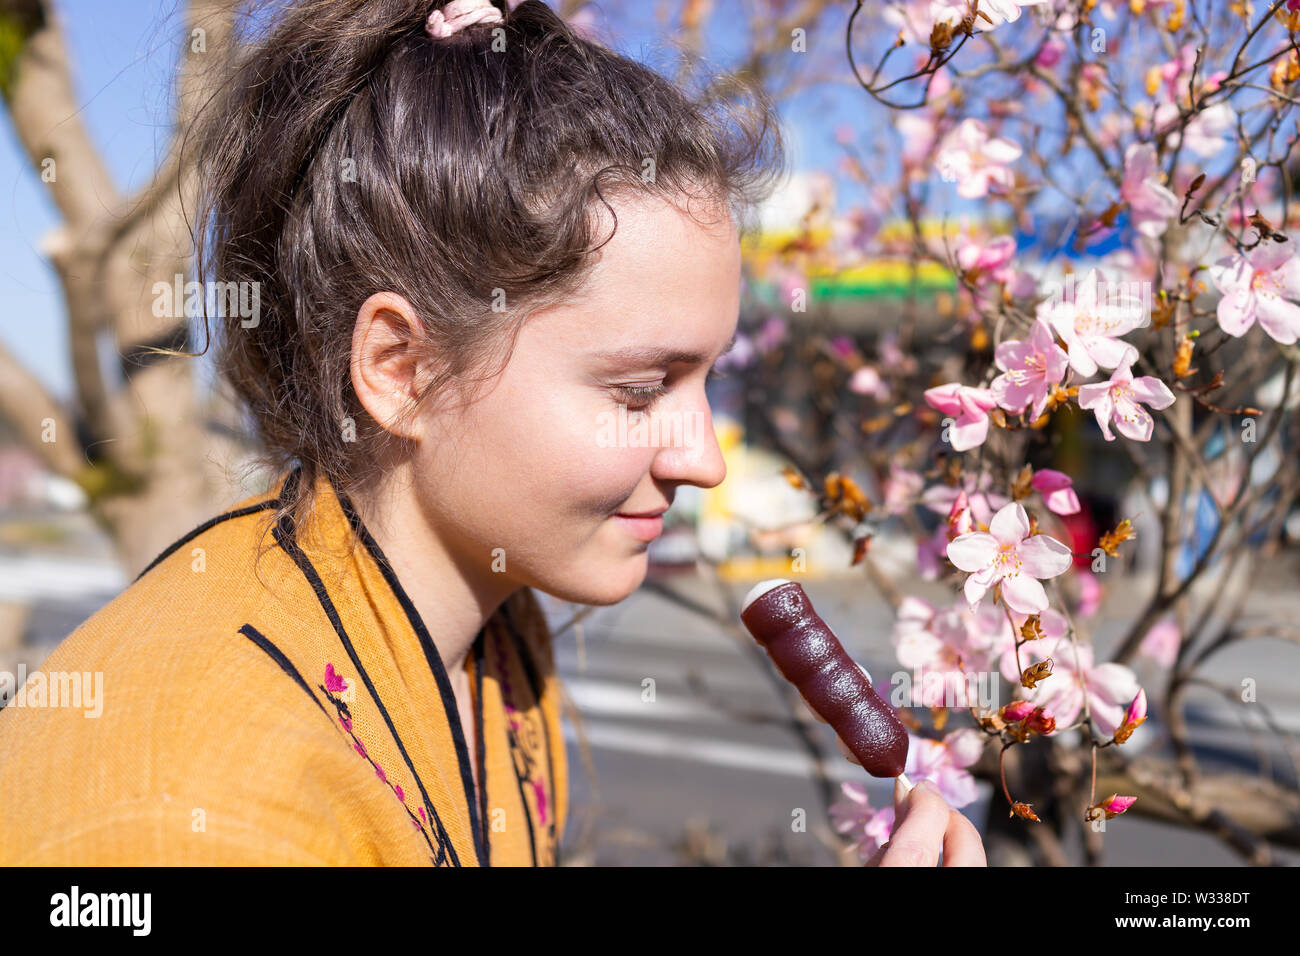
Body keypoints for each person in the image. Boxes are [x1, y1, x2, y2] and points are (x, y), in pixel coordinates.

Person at [0, 0, 984, 867]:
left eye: (706, 378)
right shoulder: (190, 807)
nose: (706, 458)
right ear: (400, 368)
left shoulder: (497, 640)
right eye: (641, 388)